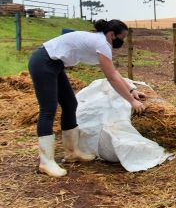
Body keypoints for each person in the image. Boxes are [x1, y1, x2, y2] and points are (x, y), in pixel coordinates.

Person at [28, 19, 145, 177]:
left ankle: (72, 152)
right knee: (48, 110)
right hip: (43, 62)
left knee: (70, 104)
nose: (122, 41)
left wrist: (131, 90)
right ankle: (46, 162)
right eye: (122, 37)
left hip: (55, 64)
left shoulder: (101, 42)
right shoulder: (102, 44)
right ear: (112, 35)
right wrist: (132, 102)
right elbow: (111, 77)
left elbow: (114, 73)